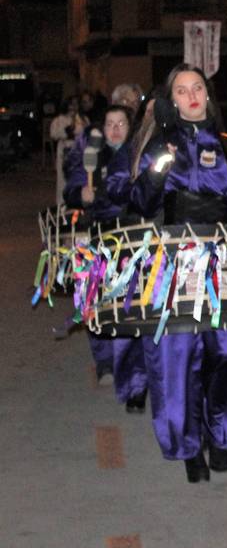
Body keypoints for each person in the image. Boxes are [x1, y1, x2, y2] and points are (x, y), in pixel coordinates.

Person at [130, 64, 227, 482]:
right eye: (181, 90)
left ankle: (218, 435)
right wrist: (158, 169)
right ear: (172, 100)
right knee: (177, 358)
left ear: (208, 95)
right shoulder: (160, 145)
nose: (191, 96)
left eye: (198, 88)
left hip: (222, 264)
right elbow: (140, 202)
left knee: (224, 355)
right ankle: (188, 447)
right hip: (172, 265)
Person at [62, 105, 147, 410]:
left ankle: (137, 383)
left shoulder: (140, 154)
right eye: (109, 123)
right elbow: (71, 188)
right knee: (94, 305)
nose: (115, 130)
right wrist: (78, 194)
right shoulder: (92, 155)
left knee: (133, 308)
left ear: (130, 127)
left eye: (121, 123)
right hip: (96, 239)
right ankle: (105, 362)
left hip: (134, 240)